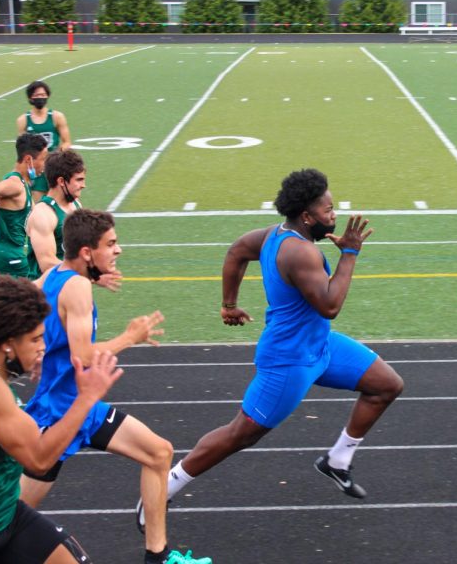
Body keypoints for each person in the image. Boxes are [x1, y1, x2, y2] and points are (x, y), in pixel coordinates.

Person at [151, 168, 403, 528]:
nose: (334, 215)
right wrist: (349, 253)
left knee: (386, 385)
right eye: (328, 210)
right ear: (306, 216)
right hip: (289, 359)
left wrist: (228, 304)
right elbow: (330, 305)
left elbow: (237, 251)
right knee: (241, 433)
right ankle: (162, 489)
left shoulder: (273, 235)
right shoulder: (300, 254)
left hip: (320, 345)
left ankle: (337, 461)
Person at [20, 209, 210, 564]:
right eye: (111, 243)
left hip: (85, 409)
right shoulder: (76, 287)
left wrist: (36, 352)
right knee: (6, 517)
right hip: (60, 414)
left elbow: (25, 306)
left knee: (158, 453)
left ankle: (158, 555)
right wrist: (130, 336)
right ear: (87, 252)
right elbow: (82, 355)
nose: (118, 250)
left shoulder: (53, 276)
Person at [0, 275, 122, 563]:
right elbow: (39, 460)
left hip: (3, 516)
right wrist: (86, 398)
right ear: (8, 343)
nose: (44, 346)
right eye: (36, 339)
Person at [26, 149, 121, 290]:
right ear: (61, 181)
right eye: (79, 180)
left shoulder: (75, 205)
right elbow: (46, 263)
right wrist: (94, 277)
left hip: (69, 285)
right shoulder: (43, 214)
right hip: (46, 293)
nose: (83, 185)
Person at [0, 133, 48, 285]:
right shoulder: (14, 185)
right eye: (43, 159)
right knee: (31, 300)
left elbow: (37, 216)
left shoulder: (23, 184)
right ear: (28, 160)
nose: (44, 165)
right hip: (9, 258)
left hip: (1, 254)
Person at [16, 80, 72, 201]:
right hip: (36, 168)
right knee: (38, 202)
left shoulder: (57, 117)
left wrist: (57, 156)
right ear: (30, 98)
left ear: (47, 96)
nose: (40, 98)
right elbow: (21, 148)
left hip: (54, 166)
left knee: (62, 200)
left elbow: (67, 142)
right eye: (36, 95)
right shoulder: (23, 120)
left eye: (42, 95)